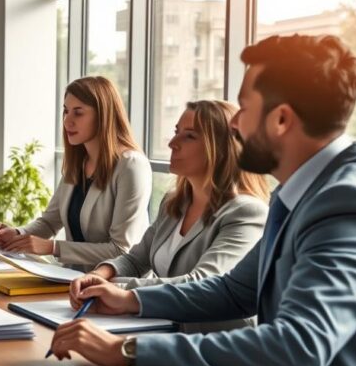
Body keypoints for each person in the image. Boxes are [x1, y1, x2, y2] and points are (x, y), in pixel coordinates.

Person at [50, 34, 356, 366]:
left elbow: (298, 347)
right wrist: (130, 301)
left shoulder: (344, 201)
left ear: (282, 120)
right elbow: (236, 291)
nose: (234, 124)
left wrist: (128, 349)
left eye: (245, 108)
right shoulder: (299, 192)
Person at [78, 100, 269, 332]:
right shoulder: (173, 202)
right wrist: (98, 275)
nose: (172, 143)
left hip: (214, 345)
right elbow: (135, 259)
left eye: (189, 136)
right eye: (176, 132)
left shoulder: (246, 212)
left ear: (220, 148)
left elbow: (201, 282)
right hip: (161, 328)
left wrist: (119, 291)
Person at [0, 76, 152, 267]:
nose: (67, 121)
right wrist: (18, 234)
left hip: (115, 286)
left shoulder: (131, 166)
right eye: (66, 112)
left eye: (78, 113)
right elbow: (49, 223)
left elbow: (121, 250)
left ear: (103, 115)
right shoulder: (79, 162)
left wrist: (53, 247)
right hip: (72, 279)